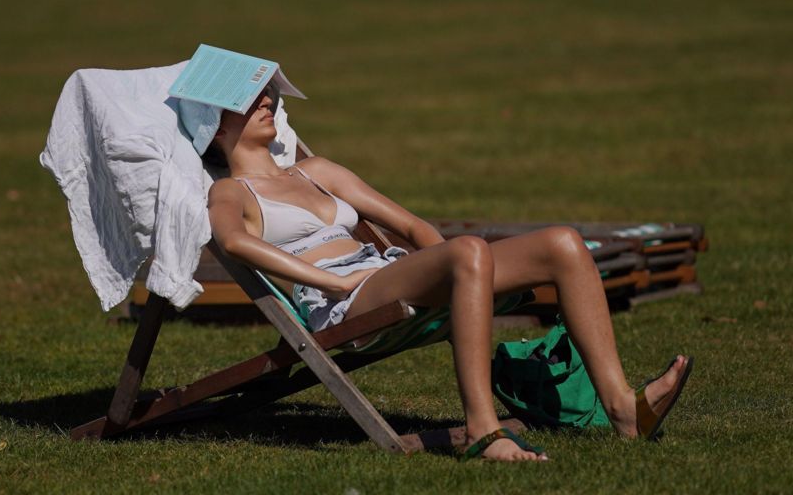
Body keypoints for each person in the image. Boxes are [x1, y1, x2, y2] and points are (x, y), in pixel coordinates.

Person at [202, 82, 693, 462]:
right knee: (467, 253)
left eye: (266, 93)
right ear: (216, 128)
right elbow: (234, 241)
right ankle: (483, 428)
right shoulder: (232, 193)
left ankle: (623, 410)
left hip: (388, 272)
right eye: (245, 100)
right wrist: (334, 280)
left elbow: (412, 226)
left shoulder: (317, 171)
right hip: (343, 303)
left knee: (563, 245)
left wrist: (462, 272)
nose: (265, 99)